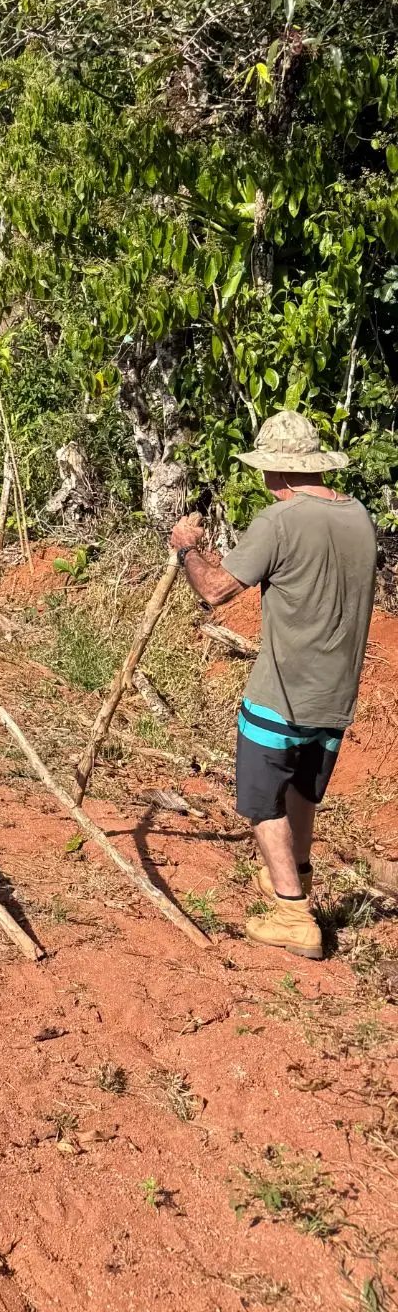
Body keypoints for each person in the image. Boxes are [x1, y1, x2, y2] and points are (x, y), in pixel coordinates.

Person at [169, 410, 377, 962]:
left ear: (279, 472)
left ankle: (292, 912)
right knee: (302, 789)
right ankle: (296, 877)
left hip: (280, 692)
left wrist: (188, 547)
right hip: (336, 696)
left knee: (261, 799)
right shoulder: (360, 518)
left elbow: (215, 590)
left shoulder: (278, 521)